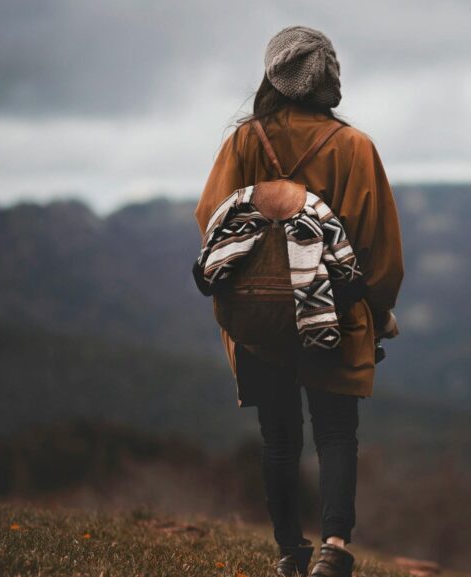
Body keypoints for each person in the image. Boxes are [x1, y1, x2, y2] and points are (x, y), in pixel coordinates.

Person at [192, 25, 404, 577]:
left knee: (278, 437)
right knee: (336, 432)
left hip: (259, 315)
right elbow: (379, 247)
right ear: (328, 80)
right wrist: (376, 313)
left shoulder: (243, 142)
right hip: (332, 310)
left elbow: (211, 221)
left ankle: (290, 552)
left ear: (274, 76)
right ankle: (334, 546)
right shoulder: (354, 146)